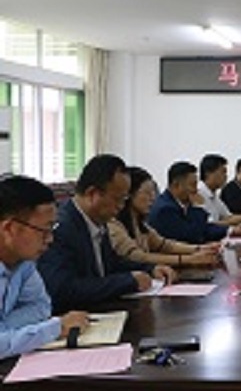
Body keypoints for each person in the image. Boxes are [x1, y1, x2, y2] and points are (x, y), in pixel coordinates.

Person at [37, 154, 175, 314]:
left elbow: (110, 264)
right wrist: (128, 282)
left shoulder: (97, 220)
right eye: (118, 199)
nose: (121, 206)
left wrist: (150, 269)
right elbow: (63, 289)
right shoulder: (61, 228)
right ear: (92, 194)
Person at [0, 176, 89, 359]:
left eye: (52, 229)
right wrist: (55, 328)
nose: (50, 239)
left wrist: (4, 327)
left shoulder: (24, 263)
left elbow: (41, 307)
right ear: (9, 229)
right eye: (44, 230)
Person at [109, 166, 220, 267]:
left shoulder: (140, 224)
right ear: (129, 194)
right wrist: (189, 259)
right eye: (147, 193)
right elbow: (140, 257)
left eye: (154, 192)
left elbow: (164, 244)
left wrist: (200, 248)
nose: (153, 198)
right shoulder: (115, 225)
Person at [148, 161, 241, 244]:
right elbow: (194, 236)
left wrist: (230, 230)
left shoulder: (181, 202)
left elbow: (204, 228)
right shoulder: (165, 209)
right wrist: (198, 207)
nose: (196, 190)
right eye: (193, 185)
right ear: (176, 185)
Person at [197, 154, 241, 225]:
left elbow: (228, 216)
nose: (226, 176)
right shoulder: (198, 193)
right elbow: (208, 225)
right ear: (208, 173)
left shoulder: (214, 196)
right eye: (223, 172)